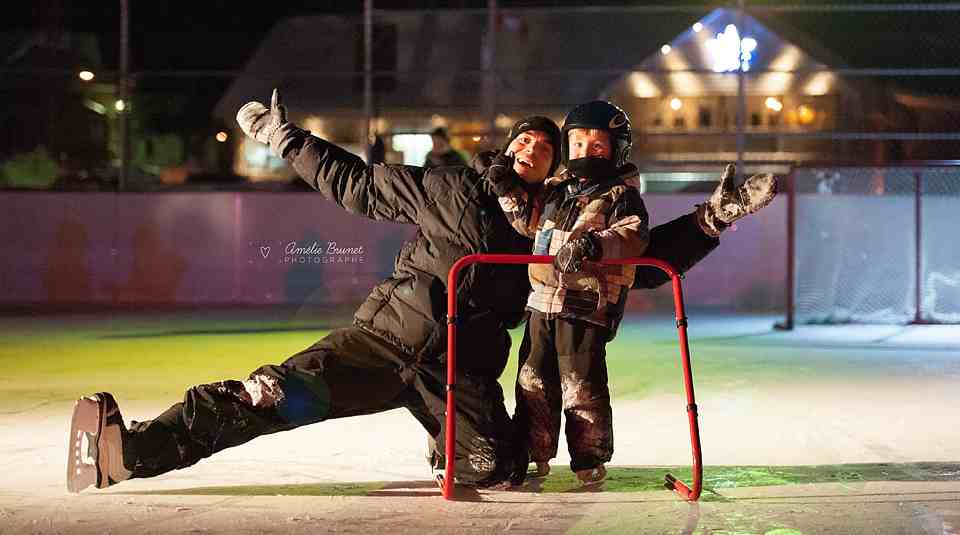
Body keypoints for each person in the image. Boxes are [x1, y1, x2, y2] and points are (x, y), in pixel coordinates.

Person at [66, 90, 562, 493]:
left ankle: (446, 440)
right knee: (271, 395)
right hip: (384, 344)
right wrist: (286, 139)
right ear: (508, 147)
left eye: (543, 150)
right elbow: (358, 184)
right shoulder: (453, 188)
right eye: (525, 142)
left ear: (551, 171)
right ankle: (129, 453)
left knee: (495, 467)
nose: (530, 152)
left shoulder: (547, 232)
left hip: (457, 371)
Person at [486, 101, 777, 486]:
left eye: (598, 146)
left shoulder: (621, 195)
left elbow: (633, 236)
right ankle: (532, 450)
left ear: (617, 149)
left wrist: (594, 246)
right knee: (532, 381)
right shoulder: (555, 190)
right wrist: (507, 189)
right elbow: (529, 221)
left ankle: (588, 457)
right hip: (542, 303)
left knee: (581, 386)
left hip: (586, 304)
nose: (585, 153)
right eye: (576, 144)